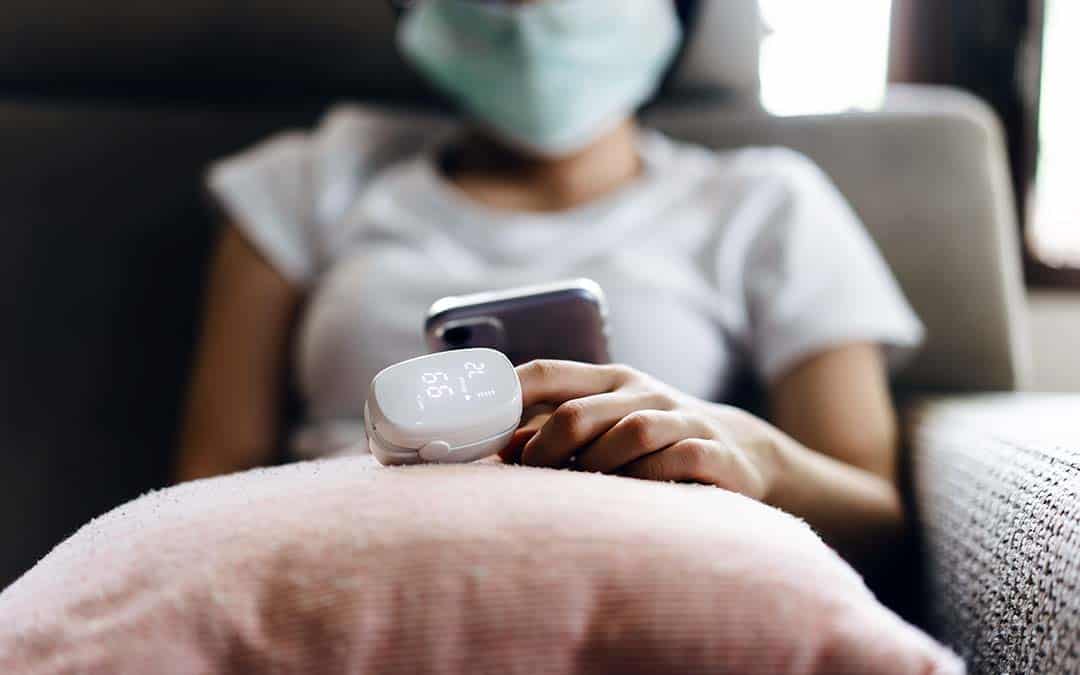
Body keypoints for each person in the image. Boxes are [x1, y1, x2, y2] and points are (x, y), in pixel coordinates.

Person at [177, 0, 924, 573]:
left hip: (644, 572)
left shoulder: (767, 203)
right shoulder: (310, 180)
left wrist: (753, 453)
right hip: (326, 563)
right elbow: (207, 487)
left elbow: (875, 517)